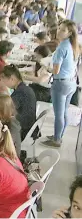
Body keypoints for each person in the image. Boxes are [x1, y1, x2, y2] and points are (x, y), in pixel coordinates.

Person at [41, 20, 79, 148]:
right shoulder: (73, 46)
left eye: (63, 30)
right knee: (64, 113)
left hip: (61, 84)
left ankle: (56, 139)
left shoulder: (61, 48)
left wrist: (46, 68)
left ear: (69, 33)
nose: (59, 31)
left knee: (58, 114)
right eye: (59, 28)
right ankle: (59, 136)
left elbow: (56, 71)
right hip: (71, 83)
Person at [0, 65, 37, 141]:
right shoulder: (25, 88)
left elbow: (8, 108)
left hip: (23, 129)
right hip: (29, 126)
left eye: (4, 81)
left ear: (12, 79)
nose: (4, 84)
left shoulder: (20, 92)